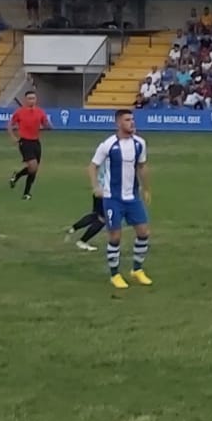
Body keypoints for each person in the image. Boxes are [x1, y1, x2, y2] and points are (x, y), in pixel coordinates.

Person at [89, 110, 152, 290]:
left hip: (132, 197)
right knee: (115, 236)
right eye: (127, 120)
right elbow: (93, 166)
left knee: (143, 233)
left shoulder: (140, 143)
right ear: (118, 123)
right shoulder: (108, 145)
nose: (132, 122)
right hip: (112, 198)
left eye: (132, 119)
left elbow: (142, 166)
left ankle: (137, 269)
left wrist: (146, 188)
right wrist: (96, 187)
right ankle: (115, 274)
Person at [7, 89, 53, 199]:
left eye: (33, 98)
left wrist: (49, 125)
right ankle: (19, 179)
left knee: (34, 169)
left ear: (36, 99)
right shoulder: (19, 112)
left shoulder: (40, 112)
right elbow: (10, 125)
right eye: (29, 98)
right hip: (25, 142)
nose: (31, 100)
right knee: (32, 166)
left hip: (36, 142)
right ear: (25, 100)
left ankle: (25, 191)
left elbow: (48, 126)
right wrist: (13, 137)